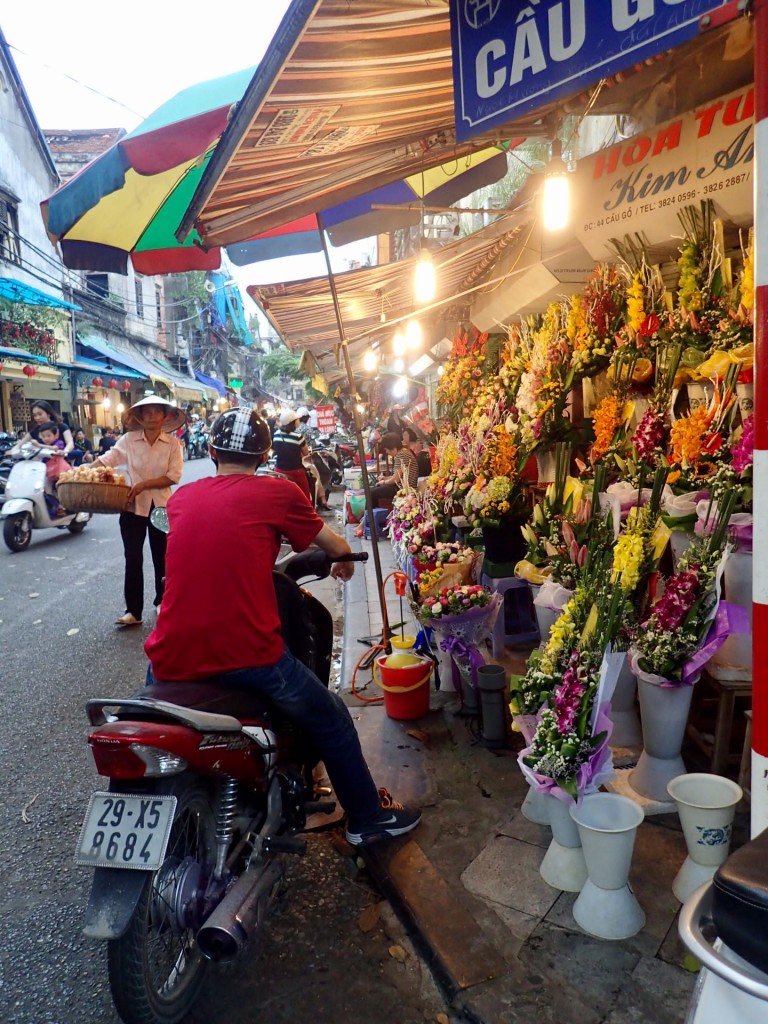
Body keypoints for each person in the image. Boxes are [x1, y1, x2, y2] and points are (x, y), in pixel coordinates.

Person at [144, 407, 420, 846]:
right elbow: (334, 545)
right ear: (266, 454)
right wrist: (342, 561)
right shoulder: (278, 492)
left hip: (168, 657)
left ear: (212, 451)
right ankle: (368, 819)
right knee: (331, 717)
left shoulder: (182, 499)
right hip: (249, 655)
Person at [94, 397, 184, 627]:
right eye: (147, 412)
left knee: (162, 557)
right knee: (132, 557)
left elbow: (173, 476)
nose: (152, 415)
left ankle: (162, 601)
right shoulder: (128, 440)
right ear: (139, 416)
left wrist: (144, 484)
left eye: (157, 411)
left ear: (165, 416)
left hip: (161, 507)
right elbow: (108, 459)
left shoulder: (173, 444)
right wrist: (82, 469)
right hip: (132, 506)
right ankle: (133, 611)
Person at [367, 431, 418, 512]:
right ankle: (370, 517)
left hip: (404, 489)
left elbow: (396, 479)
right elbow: (398, 475)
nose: (387, 452)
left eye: (387, 450)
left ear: (393, 448)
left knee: (371, 493)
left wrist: (384, 482)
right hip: (402, 486)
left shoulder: (401, 455)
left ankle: (369, 518)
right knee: (374, 490)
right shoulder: (403, 452)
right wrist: (385, 478)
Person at [272, 409, 312, 502]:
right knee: (305, 496)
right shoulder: (298, 436)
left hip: (279, 469)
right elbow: (306, 454)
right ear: (292, 422)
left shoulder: (276, 434)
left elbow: (276, 449)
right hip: (295, 471)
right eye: (296, 419)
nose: (298, 421)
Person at [34, 421, 69, 516]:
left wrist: (39, 445)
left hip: (59, 470)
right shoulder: (41, 445)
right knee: (45, 487)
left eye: (48, 435)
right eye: (43, 436)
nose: (46, 438)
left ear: (56, 435)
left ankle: (62, 506)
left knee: (61, 487)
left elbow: (54, 448)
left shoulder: (59, 443)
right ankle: (50, 504)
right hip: (47, 471)